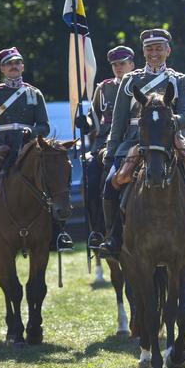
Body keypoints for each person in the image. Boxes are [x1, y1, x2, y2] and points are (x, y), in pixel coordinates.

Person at [97, 29, 185, 260]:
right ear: (143, 52)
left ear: (168, 50)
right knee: (111, 182)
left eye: (159, 48)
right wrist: (111, 153)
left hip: (170, 139)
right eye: (150, 48)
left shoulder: (179, 80)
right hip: (133, 140)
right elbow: (119, 120)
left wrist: (170, 121)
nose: (154, 53)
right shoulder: (131, 80)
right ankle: (113, 237)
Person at [0, 47, 71, 255]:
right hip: (0, 146)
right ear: (2, 68)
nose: (14, 66)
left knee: (52, 180)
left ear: (23, 66)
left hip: (29, 146)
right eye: (9, 63)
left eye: (17, 62)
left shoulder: (34, 93)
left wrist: (31, 130)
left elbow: (44, 126)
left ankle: (57, 234)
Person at [75, 46, 135, 248]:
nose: (118, 68)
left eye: (122, 64)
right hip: (105, 144)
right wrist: (86, 123)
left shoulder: (140, 84)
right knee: (90, 178)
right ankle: (97, 230)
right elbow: (95, 118)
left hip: (133, 140)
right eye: (115, 65)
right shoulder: (104, 88)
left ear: (132, 65)